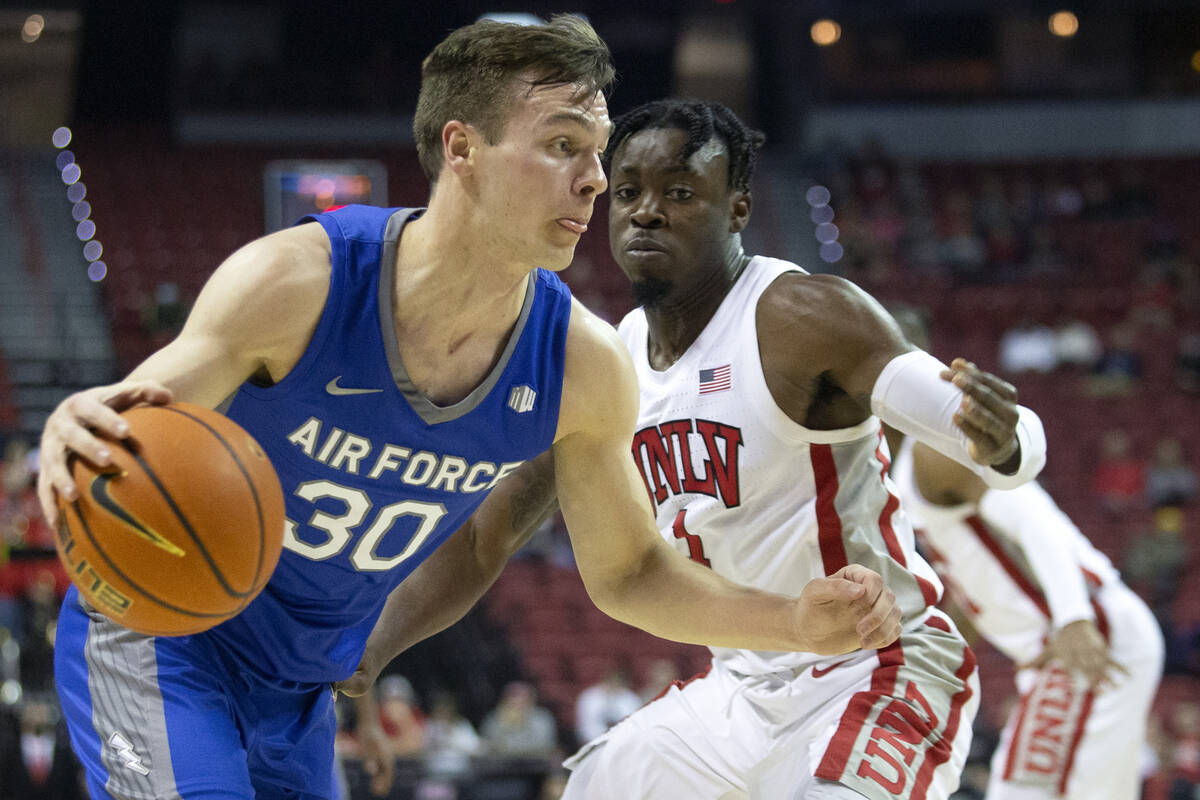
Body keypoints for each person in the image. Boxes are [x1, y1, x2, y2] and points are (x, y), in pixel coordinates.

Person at [38, 18, 900, 800]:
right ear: (463, 148)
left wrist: (789, 620)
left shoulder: (583, 363)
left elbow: (632, 573)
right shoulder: (299, 282)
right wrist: (71, 425)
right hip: (165, 634)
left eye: (597, 150)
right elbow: (128, 417)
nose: (595, 180)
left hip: (300, 688)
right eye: (563, 145)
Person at [347, 99, 1050, 799]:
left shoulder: (804, 316)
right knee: (597, 782)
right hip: (739, 689)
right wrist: (367, 652)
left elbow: (995, 432)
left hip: (879, 667)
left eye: (679, 192)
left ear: (738, 209)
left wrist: (1002, 438)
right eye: (628, 192)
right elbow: (482, 537)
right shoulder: (606, 360)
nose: (646, 211)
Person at [886, 305, 1163, 800]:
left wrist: (1073, 618)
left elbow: (1033, 513)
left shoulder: (932, 451)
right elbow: (976, 575)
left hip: (1087, 635)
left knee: (1021, 792)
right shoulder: (895, 464)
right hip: (1076, 640)